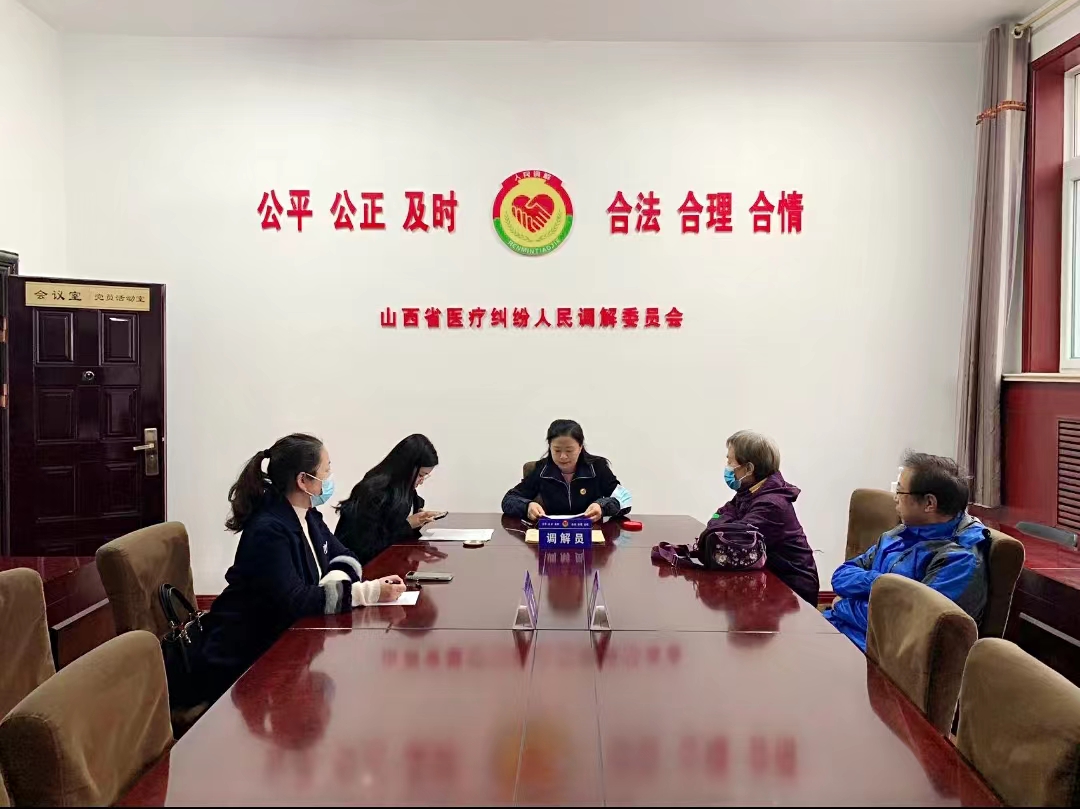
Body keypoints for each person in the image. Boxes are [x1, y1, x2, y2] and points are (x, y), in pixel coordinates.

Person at [171, 434, 405, 708]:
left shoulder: (308, 515)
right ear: (303, 480)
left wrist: (332, 586)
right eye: (326, 471)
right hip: (244, 655)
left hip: (282, 638)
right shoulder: (269, 529)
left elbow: (347, 558)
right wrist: (368, 592)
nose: (329, 479)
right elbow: (296, 600)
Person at [824, 451, 990, 652]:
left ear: (929, 503)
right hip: (842, 629)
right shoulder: (899, 533)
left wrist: (843, 605)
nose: (895, 498)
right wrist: (882, 583)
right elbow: (841, 576)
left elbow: (906, 626)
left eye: (900, 492)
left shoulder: (959, 559)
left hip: (877, 655)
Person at [705, 431, 819, 606]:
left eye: (730, 461)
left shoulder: (771, 504)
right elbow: (717, 516)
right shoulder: (750, 491)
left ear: (749, 468)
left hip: (792, 591)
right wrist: (721, 521)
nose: (727, 467)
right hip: (766, 577)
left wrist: (723, 522)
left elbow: (732, 540)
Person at [335, 434, 443, 565]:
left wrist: (418, 522)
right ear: (406, 468)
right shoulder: (372, 492)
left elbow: (398, 534)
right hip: (360, 566)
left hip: (391, 563)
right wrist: (408, 525)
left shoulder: (406, 491)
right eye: (420, 475)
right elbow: (369, 544)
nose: (421, 481)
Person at [501, 419, 631, 523]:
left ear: (580, 447)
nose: (563, 456)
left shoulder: (597, 467)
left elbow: (625, 501)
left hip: (589, 534)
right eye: (557, 450)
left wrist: (602, 507)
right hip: (553, 534)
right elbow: (509, 500)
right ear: (550, 447)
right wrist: (527, 506)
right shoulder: (542, 469)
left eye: (569, 450)